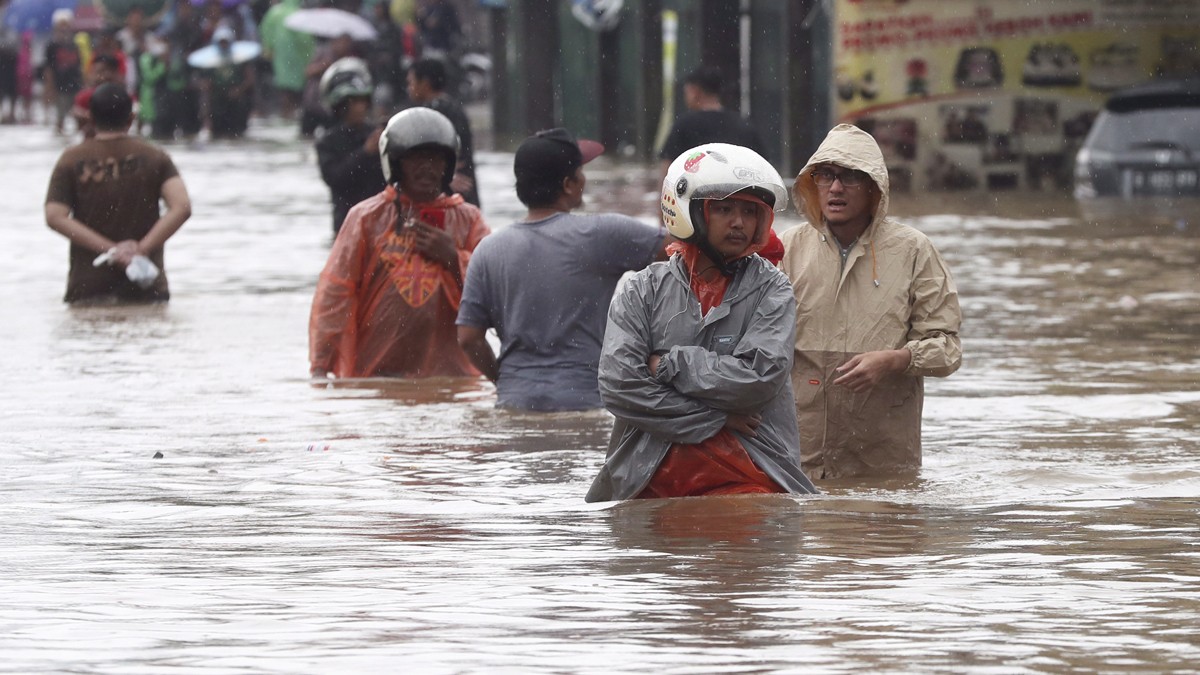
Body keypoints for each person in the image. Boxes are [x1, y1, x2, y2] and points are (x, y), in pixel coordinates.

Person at [585, 143, 817, 501]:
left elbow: (758, 380)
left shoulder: (773, 289)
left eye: (749, 211)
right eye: (723, 209)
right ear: (688, 211)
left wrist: (667, 364)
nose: (739, 222)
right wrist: (716, 418)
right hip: (645, 478)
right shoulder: (640, 290)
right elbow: (619, 386)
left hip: (754, 475)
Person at [778, 123, 963, 479]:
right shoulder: (787, 249)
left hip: (883, 457)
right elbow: (758, 343)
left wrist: (897, 360)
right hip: (797, 455)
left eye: (850, 177)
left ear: (874, 188)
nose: (835, 188)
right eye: (826, 175)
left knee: (880, 535)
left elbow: (949, 349)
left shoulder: (913, 250)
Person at [456, 128, 668, 412]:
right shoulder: (602, 235)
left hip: (514, 404)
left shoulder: (488, 250)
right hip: (585, 404)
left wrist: (504, 381)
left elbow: (468, 338)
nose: (585, 179)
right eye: (582, 172)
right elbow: (682, 250)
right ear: (569, 185)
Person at [309, 107, 490, 379]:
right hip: (376, 377)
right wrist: (320, 370)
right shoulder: (366, 219)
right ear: (394, 162)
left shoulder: (469, 220)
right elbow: (335, 297)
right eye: (416, 158)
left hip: (454, 379)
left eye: (435, 158)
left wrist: (454, 258)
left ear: (448, 164)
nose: (427, 167)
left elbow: (496, 294)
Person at [44, 83, 192, 304]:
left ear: (91, 119)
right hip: (146, 285)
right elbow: (181, 207)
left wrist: (111, 251)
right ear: (131, 118)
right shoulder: (155, 157)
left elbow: (54, 216)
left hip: (89, 288)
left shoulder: (71, 159)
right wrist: (140, 249)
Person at [315, 56, 387, 234]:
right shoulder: (328, 141)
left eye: (362, 101)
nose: (359, 108)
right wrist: (365, 152)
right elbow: (335, 178)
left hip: (381, 223)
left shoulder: (378, 134)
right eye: (353, 102)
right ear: (340, 105)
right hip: (346, 224)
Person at [658, 65, 767, 180]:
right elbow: (762, 165)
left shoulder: (684, 125)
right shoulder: (744, 125)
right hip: (738, 193)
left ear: (695, 91)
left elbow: (667, 167)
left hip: (696, 194)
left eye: (686, 92)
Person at [407, 58, 477, 206]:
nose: (409, 88)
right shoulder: (453, 108)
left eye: (411, 82)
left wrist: (445, 176)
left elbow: (451, 152)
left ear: (425, 83)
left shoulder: (434, 113)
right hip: (460, 194)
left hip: (452, 196)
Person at [199, 25, 256, 139]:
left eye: (226, 42)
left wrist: (239, 89)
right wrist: (205, 114)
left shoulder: (241, 59)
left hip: (237, 101)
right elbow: (205, 84)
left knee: (238, 134)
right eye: (221, 42)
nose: (223, 45)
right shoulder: (209, 62)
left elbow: (250, 79)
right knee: (217, 134)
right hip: (217, 102)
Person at [42, 10, 84, 133]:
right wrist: (49, 88)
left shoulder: (74, 44)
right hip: (59, 86)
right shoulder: (51, 46)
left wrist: (83, 84)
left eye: (66, 24)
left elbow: (79, 66)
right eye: (61, 25)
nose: (64, 28)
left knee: (79, 117)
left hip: (75, 85)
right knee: (60, 118)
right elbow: (48, 69)